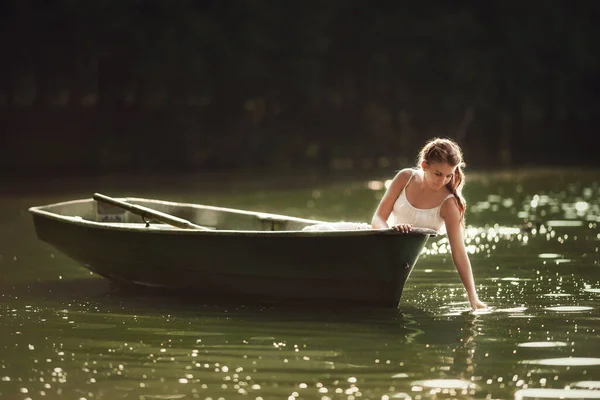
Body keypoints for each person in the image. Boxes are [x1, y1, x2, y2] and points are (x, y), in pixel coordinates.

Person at [371, 137, 487, 310]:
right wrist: (390, 230)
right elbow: (377, 218)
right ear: (425, 166)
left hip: (402, 258)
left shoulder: (449, 205)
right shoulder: (405, 177)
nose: (442, 181)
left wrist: (473, 298)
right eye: (438, 174)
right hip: (381, 243)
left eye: (449, 176)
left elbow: (459, 252)